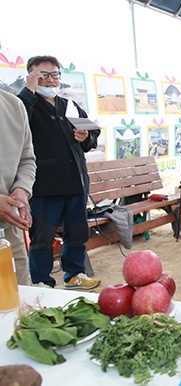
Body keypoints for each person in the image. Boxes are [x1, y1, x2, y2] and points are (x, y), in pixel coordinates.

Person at [18, 55, 101, 289]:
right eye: (43, 74)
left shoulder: (70, 105)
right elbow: (15, 123)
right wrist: (29, 90)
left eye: (55, 74)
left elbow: (93, 134)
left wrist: (87, 137)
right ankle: (42, 281)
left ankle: (75, 274)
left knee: (77, 233)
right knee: (42, 236)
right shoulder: (25, 104)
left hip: (75, 182)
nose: (51, 80)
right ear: (31, 76)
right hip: (44, 185)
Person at [0, 89, 36, 286]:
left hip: (8, 233)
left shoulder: (13, 105)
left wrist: (22, 189)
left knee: (17, 304)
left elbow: (27, 159)